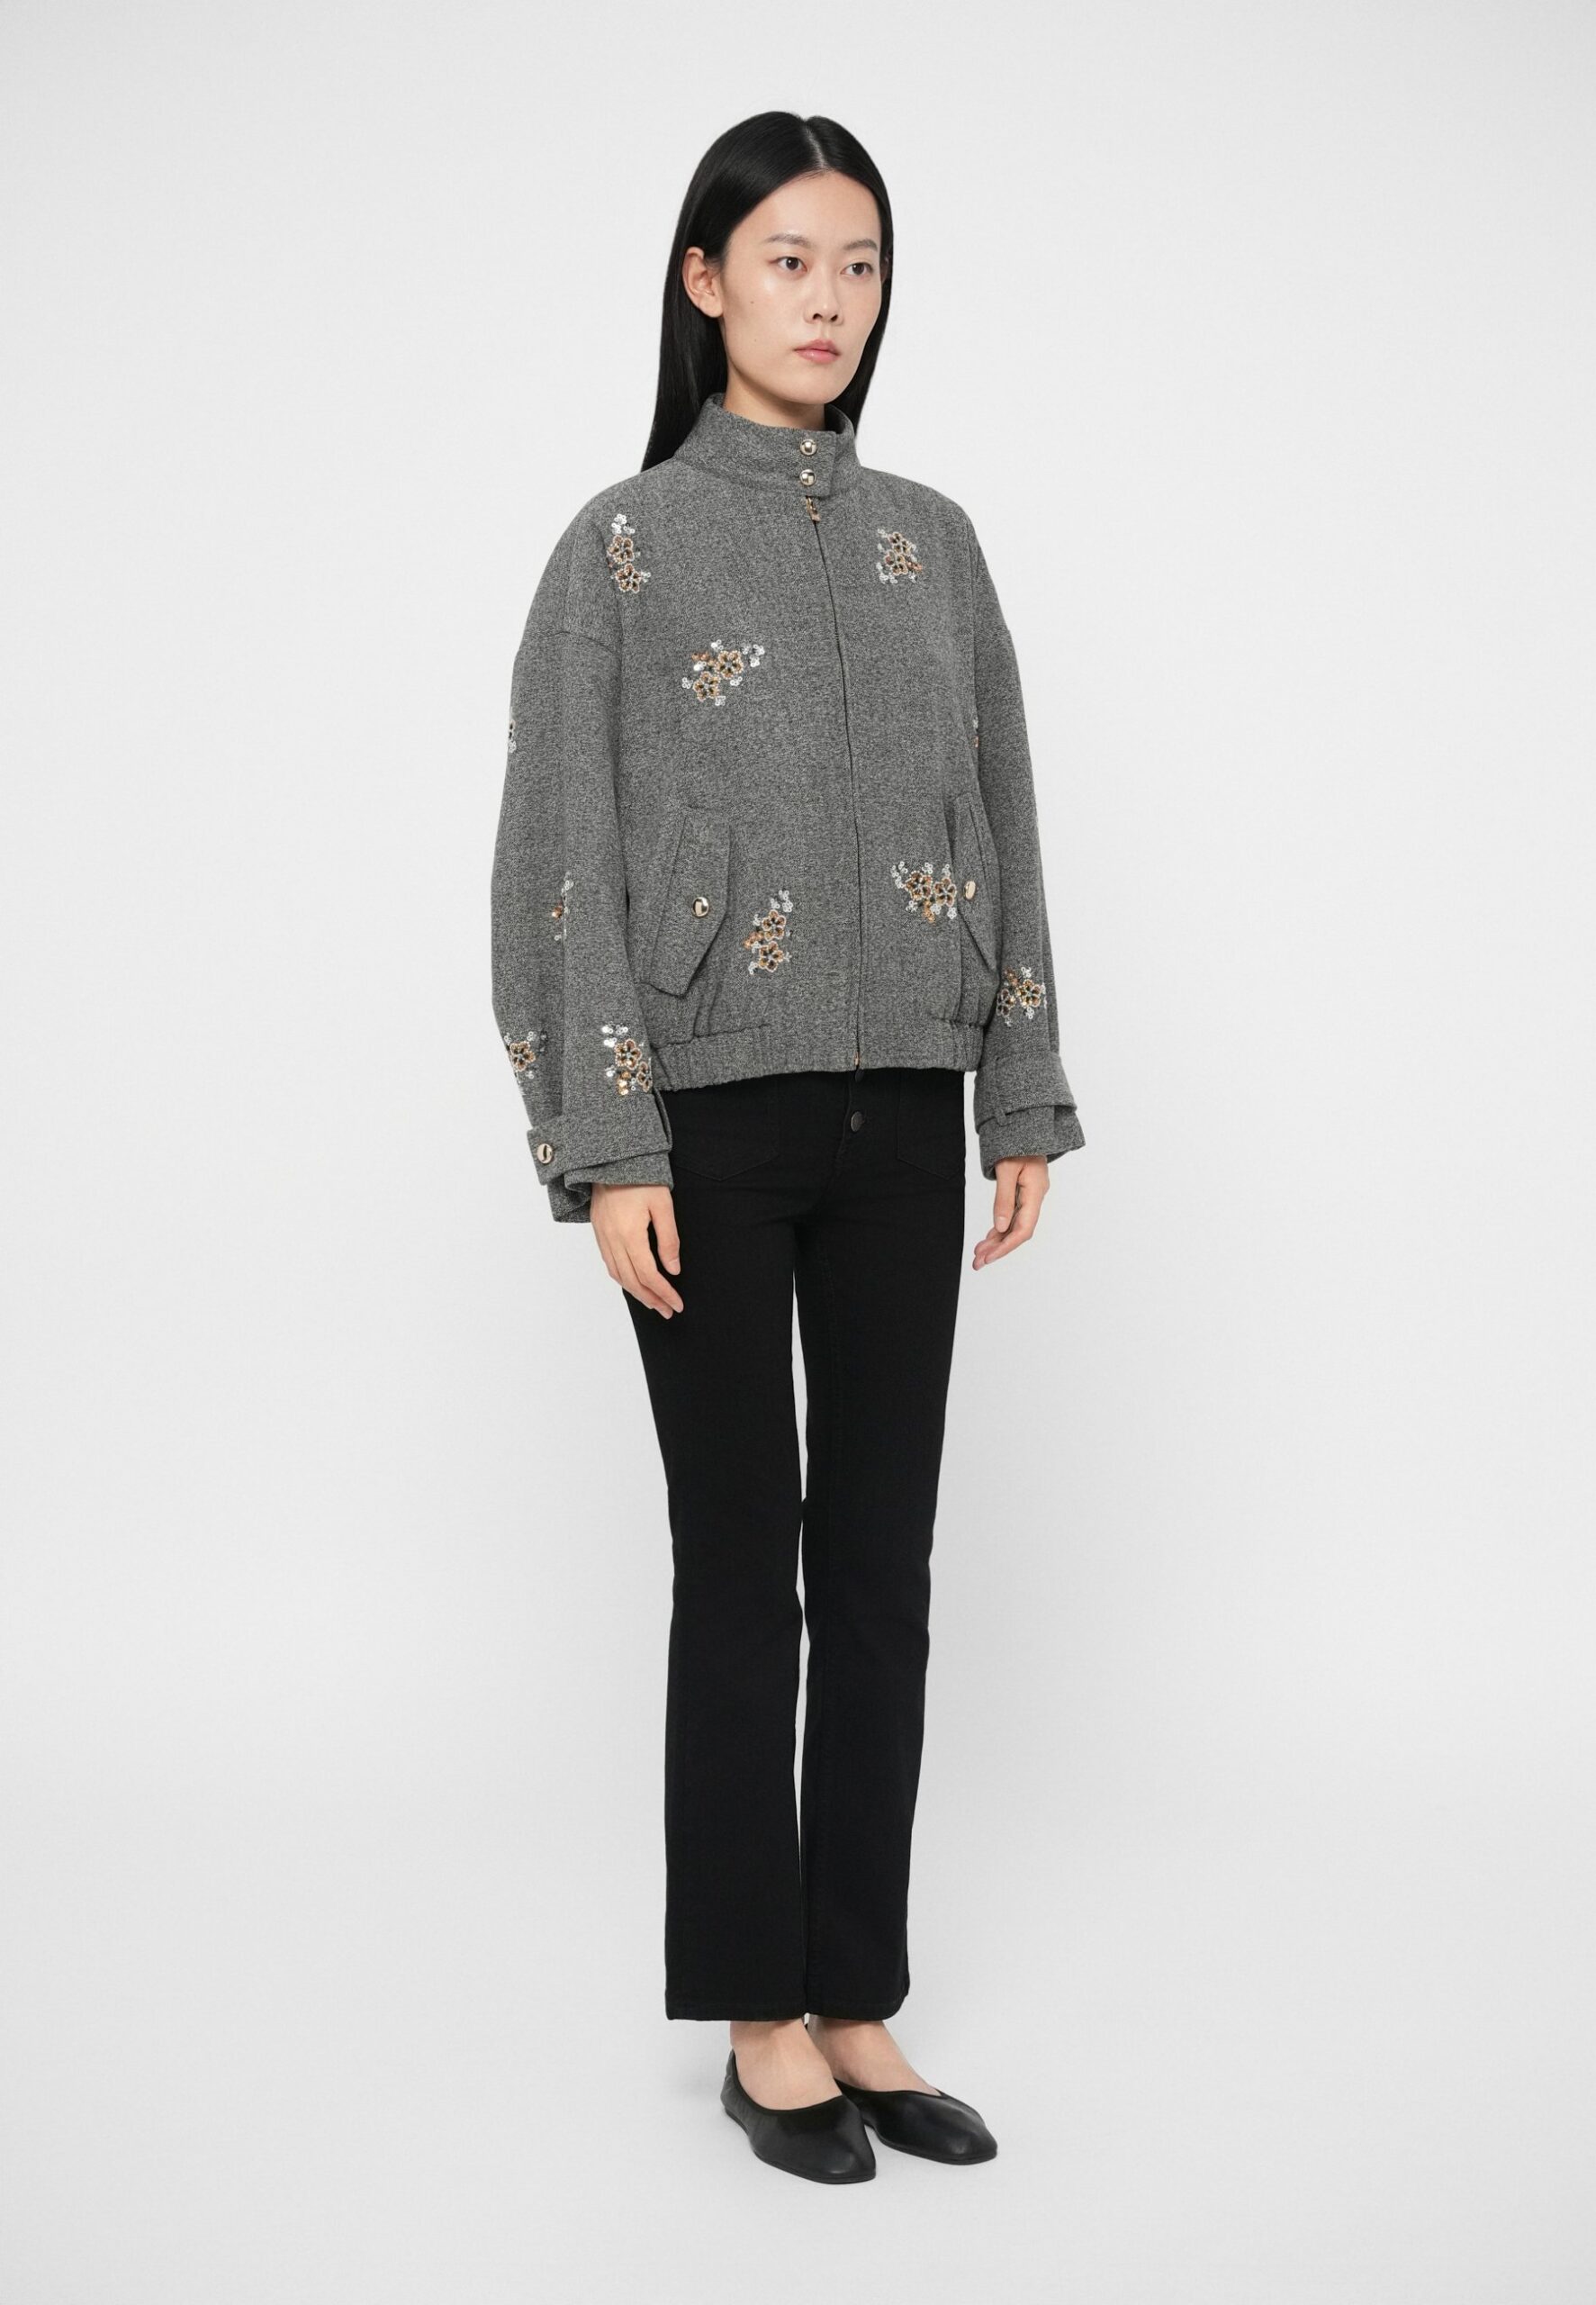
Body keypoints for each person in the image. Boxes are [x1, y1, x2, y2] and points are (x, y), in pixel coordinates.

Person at [490, 111, 1085, 2184]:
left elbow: (1001, 807)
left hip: (904, 1105)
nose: (827, 300)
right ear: (702, 280)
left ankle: (855, 1991)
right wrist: (604, 1137)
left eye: (857, 264)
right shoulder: (623, 549)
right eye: (785, 261)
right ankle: (758, 2016)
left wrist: (1016, 1085)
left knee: (885, 1565)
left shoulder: (934, 539)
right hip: (705, 1128)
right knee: (744, 1563)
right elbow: (556, 853)